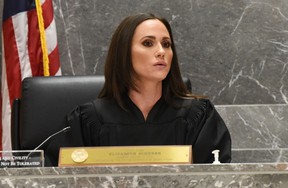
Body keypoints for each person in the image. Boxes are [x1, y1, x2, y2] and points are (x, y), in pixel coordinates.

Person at [46, 13, 231, 166]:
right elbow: (56, 177)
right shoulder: (88, 120)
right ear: (124, 53)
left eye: (166, 44)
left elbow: (216, 178)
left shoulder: (198, 116)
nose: (161, 51)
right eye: (148, 43)